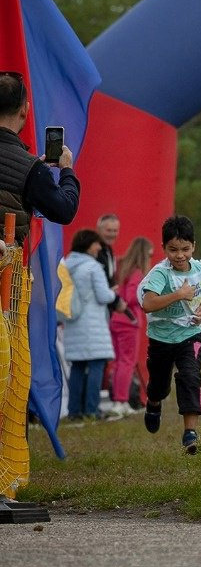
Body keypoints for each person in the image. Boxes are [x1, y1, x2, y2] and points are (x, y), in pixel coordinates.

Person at [140, 215, 201, 454]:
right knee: (159, 385)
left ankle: (190, 433)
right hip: (161, 338)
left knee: (190, 376)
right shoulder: (160, 274)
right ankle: (153, 402)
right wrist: (178, 294)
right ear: (164, 249)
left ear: (194, 246)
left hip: (190, 335)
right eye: (173, 250)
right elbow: (148, 304)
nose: (180, 255)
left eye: (185, 249)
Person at [0, 71, 80, 245]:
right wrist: (66, 169)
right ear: (24, 110)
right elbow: (65, 210)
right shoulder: (31, 169)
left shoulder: (33, 170)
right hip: (4, 268)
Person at [61, 229, 117, 421]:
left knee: (77, 366)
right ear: (88, 245)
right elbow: (103, 296)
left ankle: (74, 411)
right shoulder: (93, 267)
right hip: (93, 324)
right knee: (96, 364)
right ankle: (92, 410)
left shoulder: (67, 264)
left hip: (73, 321)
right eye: (97, 244)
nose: (99, 247)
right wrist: (114, 293)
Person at [111, 237, 153, 410]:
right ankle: (121, 400)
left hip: (116, 319)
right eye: (149, 255)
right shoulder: (137, 273)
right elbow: (131, 297)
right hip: (129, 321)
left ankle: (117, 399)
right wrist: (148, 297)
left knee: (119, 362)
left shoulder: (122, 269)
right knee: (127, 362)